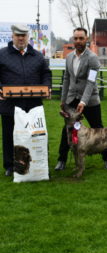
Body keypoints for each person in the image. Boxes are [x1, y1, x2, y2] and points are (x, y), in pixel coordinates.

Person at [55, 27, 107, 171]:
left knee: (99, 130)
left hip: (90, 100)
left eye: (81, 38)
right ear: (73, 39)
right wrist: (63, 100)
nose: (78, 41)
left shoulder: (92, 58)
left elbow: (91, 81)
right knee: (67, 129)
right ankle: (61, 160)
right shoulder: (68, 57)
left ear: (86, 39)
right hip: (72, 99)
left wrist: (83, 101)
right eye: (76, 38)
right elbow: (67, 79)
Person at [0, 24, 51, 177]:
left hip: (33, 105)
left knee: (35, 134)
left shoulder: (38, 56)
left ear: (28, 37)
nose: (21, 38)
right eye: (18, 35)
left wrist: (47, 87)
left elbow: (46, 74)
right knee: (9, 135)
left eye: (24, 35)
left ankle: (38, 162)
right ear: (12, 36)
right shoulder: (2, 54)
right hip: (9, 105)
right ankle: (10, 165)